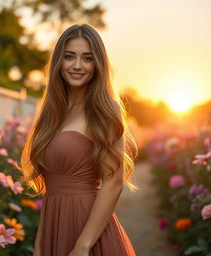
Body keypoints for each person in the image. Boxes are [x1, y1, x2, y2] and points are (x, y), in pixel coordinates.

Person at [20, 23, 139, 256]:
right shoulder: (52, 113)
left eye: (87, 58)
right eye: (69, 57)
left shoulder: (105, 109)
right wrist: (40, 245)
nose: (77, 66)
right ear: (58, 62)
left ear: (97, 65)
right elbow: (51, 189)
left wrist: (83, 246)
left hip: (89, 232)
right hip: (53, 226)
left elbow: (113, 182)